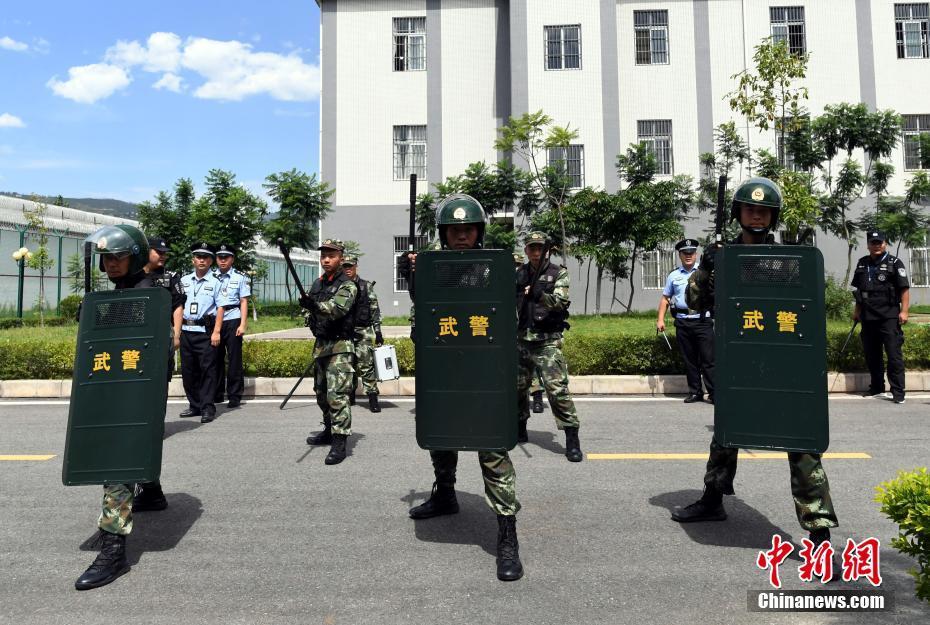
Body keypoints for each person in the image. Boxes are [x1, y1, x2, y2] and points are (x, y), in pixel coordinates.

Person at [672, 177, 839, 549]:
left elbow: (806, 308)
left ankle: (819, 533)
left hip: (785, 364)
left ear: (773, 217)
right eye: (750, 209)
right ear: (738, 213)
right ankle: (712, 500)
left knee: (802, 444)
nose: (757, 216)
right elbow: (695, 302)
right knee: (726, 434)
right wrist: (708, 267)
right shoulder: (722, 257)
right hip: (741, 362)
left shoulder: (788, 260)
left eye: (764, 211)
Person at [399, 194, 523, 581]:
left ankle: (507, 534)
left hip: (484, 371)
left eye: (468, 229)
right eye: (454, 231)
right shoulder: (433, 267)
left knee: (493, 450)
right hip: (445, 368)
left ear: (479, 231)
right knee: (442, 436)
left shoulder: (493, 267)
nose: (462, 236)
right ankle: (445, 494)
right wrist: (412, 274)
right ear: (444, 234)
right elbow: (429, 307)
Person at [74, 225, 185, 590]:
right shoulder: (119, 294)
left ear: (135, 257)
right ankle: (151, 492)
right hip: (120, 384)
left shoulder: (150, 294)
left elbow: (153, 344)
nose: (111, 263)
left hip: (139, 387)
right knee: (136, 441)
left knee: (118, 461)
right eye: (106, 258)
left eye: (119, 256)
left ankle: (113, 550)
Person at [515, 231, 581, 462]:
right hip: (521, 339)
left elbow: (561, 302)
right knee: (517, 388)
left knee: (557, 390)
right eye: (531, 248)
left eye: (539, 248)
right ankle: (519, 427)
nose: (536, 252)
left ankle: (572, 438)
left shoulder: (558, 273)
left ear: (547, 251)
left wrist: (540, 295)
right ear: (526, 250)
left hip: (547, 341)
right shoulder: (518, 274)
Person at [301, 239, 359, 465]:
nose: (326, 260)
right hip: (321, 345)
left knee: (337, 395)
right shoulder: (318, 284)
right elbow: (311, 310)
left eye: (331, 256)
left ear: (340, 258)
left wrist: (315, 306)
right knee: (321, 393)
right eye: (323, 256)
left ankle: (340, 441)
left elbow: (337, 309)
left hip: (340, 346)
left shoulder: (348, 285)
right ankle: (328, 429)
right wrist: (307, 309)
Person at [851, 230, 909, 404]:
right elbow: (859, 291)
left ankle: (898, 392)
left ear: (885, 244)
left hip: (889, 316)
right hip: (868, 316)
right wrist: (857, 311)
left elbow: (904, 289)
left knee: (893, 355)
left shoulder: (894, 263)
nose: (876, 245)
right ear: (868, 245)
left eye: (879, 242)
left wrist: (904, 311)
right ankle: (877, 388)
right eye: (873, 242)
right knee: (872, 355)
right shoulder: (862, 263)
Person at [657, 238, 714, 403]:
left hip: (702, 321)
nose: (688, 255)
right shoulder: (673, 276)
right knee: (690, 360)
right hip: (683, 322)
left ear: (696, 254)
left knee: (708, 360)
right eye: (685, 253)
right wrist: (660, 320)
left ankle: (714, 392)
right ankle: (695, 392)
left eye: (691, 252)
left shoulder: (705, 273)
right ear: (680, 255)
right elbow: (665, 299)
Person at [179, 242, 224, 423]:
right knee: (188, 371)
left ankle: (207, 407)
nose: (202, 260)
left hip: (205, 332)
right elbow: (177, 306)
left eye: (206, 257)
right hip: (186, 331)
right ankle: (194, 405)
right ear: (193, 260)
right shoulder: (184, 281)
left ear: (211, 261)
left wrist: (217, 332)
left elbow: (221, 308)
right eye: (198, 257)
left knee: (207, 371)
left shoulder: (216, 282)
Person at [341, 254, 383, 413]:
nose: (348, 269)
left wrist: (378, 331)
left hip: (363, 331)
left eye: (350, 266)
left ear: (356, 267)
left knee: (366, 365)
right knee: (347, 364)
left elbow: (374, 309)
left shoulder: (366, 286)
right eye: (345, 266)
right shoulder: (339, 286)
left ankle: (373, 398)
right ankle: (350, 395)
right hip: (344, 332)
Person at [212, 243, 251, 409]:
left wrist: (243, 324)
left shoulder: (240, 277)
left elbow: (243, 301)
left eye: (226, 257)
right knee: (215, 357)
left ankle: (234, 395)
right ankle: (217, 392)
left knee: (234, 359)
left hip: (233, 318)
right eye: (220, 257)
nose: (222, 260)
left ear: (232, 259)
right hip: (215, 320)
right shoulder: (211, 276)